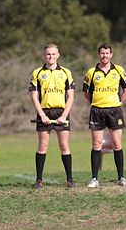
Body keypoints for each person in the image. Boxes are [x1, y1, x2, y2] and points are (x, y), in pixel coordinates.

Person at [83, 43, 126, 188]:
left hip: (114, 111)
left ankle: (121, 178)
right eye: (102, 53)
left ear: (111, 54)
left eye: (107, 53)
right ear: (99, 55)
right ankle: (94, 178)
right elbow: (86, 93)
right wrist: (96, 102)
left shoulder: (119, 70)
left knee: (117, 143)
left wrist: (118, 101)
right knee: (97, 144)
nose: (105, 56)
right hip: (97, 111)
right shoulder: (91, 72)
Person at [29, 44, 75, 189]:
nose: (51, 57)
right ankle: (39, 180)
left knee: (64, 145)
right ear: (45, 55)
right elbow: (34, 97)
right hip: (45, 113)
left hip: (61, 112)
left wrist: (64, 115)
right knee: (43, 146)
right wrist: (42, 115)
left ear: (58, 55)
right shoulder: (37, 72)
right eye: (48, 54)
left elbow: (71, 96)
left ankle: (70, 179)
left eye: (53, 54)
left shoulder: (66, 72)